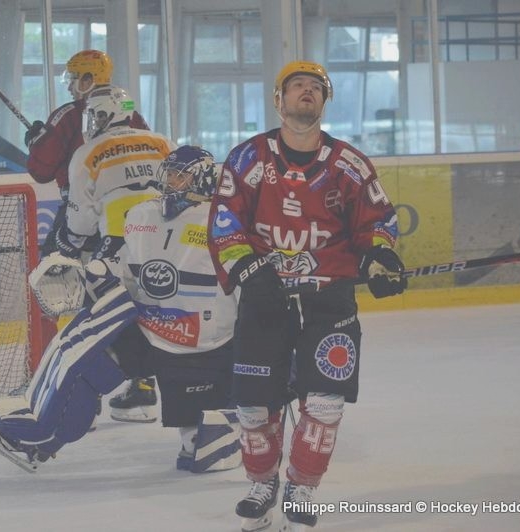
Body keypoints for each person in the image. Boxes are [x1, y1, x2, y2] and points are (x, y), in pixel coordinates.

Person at [207, 60, 406, 531]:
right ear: (278, 100)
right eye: (296, 86)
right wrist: (247, 266)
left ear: (325, 100)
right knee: (255, 406)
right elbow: (225, 221)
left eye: (316, 87)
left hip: (328, 301)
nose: (307, 92)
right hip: (265, 298)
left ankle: (301, 487)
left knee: (324, 404)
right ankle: (261, 483)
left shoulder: (348, 164)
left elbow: (377, 221)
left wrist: (381, 256)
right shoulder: (248, 158)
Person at [0, 146, 242, 475]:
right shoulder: (142, 215)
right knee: (82, 356)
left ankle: (230, 418)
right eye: (170, 172)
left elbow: (247, 283)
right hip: (149, 332)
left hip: (204, 347)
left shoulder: (223, 223)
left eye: (182, 175)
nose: (171, 181)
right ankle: (42, 437)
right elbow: (118, 267)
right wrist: (88, 276)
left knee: (204, 449)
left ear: (204, 181)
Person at [25, 50, 154, 415]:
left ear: (87, 79)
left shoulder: (71, 113)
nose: (70, 85)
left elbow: (41, 168)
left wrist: (38, 141)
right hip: (139, 221)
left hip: (89, 214)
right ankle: (142, 381)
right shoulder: (131, 109)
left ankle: (70, 388)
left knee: (60, 285)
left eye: (74, 77)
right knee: (132, 293)